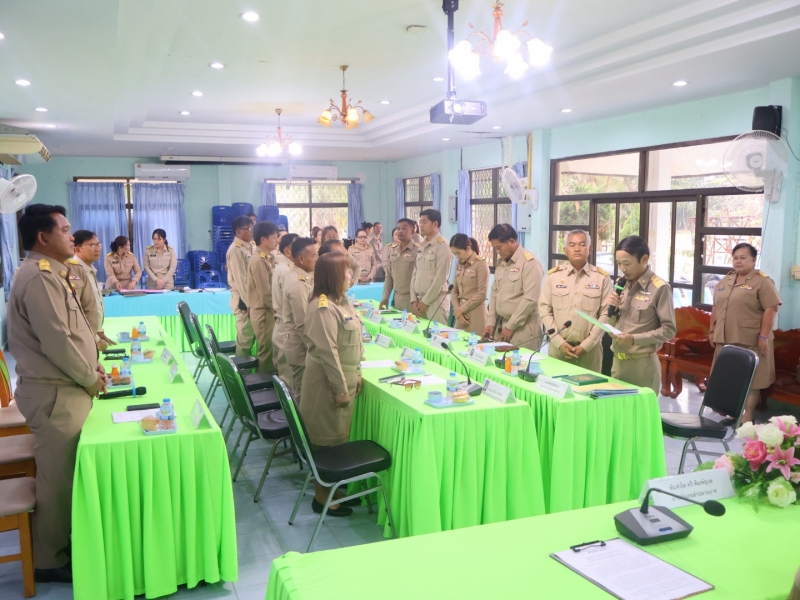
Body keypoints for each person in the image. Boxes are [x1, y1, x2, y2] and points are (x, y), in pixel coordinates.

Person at [8, 204, 108, 583]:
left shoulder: (52, 272)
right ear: (43, 237)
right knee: (58, 480)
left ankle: (64, 545)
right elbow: (57, 342)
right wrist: (88, 377)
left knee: (66, 475)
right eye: (65, 230)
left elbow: (74, 332)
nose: (72, 235)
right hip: (55, 393)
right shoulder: (38, 277)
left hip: (65, 385)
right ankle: (49, 561)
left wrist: (93, 366)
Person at [300, 252, 363, 517]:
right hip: (326, 383)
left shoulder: (343, 302)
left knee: (338, 440)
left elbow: (355, 342)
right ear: (334, 276)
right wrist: (340, 389)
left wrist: (357, 372)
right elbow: (329, 352)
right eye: (346, 272)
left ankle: (333, 491)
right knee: (326, 442)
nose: (350, 275)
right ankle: (321, 498)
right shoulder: (323, 307)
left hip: (344, 377)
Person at [709, 243, 781, 423]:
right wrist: (712, 331)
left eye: (743, 258)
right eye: (735, 258)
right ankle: (733, 413)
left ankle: (747, 417)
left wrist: (763, 337)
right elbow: (716, 307)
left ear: (754, 260)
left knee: (752, 380)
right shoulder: (726, 280)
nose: (738, 261)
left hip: (750, 339)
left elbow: (771, 309)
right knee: (729, 377)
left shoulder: (762, 281)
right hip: (725, 338)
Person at [607, 235, 676, 393]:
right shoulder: (620, 284)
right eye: (619, 263)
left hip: (642, 366)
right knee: (617, 409)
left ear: (644, 259)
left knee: (641, 409)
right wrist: (613, 310)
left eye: (627, 263)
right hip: (618, 362)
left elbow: (669, 330)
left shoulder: (659, 288)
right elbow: (612, 323)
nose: (623, 268)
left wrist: (633, 339)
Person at [539, 230, 613, 373]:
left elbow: (606, 315)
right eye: (572, 245)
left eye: (582, 245)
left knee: (590, 387)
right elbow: (545, 310)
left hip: (590, 353)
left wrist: (586, 345)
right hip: (558, 350)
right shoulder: (553, 276)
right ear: (565, 250)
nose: (577, 249)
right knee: (555, 386)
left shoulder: (602, 278)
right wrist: (559, 342)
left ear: (590, 249)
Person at [484, 224, 544, 350]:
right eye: (495, 248)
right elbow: (495, 293)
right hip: (502, 325)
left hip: (524, 327)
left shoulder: (530, 263)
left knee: (519, 361)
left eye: (499, 247)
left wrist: (510, 326)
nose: (497, 252)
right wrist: (490, 322)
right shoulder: (501, 262)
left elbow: (530, 299)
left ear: (511, 241)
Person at [282, 237, 318, 401]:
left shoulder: (301, 277)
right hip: (300, 348)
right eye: (314, 256)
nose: (316, 259)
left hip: (299, 344)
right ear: (302, 259)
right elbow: (303, 324)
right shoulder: (298, 284)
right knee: (304, 395)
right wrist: (315, 351)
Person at [70, 230, 115, 350]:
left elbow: (91, 306)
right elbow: (76, 312)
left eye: (98, 244)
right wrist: (94, 339)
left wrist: (98, 331)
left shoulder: (89, 269)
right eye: (92, 245)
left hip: (91, 335)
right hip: (83, 340)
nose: (97, 249)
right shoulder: (74, 271)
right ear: (77, 249)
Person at [247, 221, 280, 373]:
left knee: (270, 348)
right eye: (274, 237)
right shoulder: (259, 261)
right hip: (264, 312)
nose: (276, 240)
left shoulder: (267, 258)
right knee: (266, 350)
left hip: (267, 310)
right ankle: (265, 383)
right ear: (263, 239)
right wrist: (278, 310)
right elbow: (265, 293)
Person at [410, 209, 453, 322]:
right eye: (420, 222)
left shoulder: (443, 246)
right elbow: (415, 273)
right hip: (419, 301)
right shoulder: (422, 245)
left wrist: (425, 301)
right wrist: (414, 299)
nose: (421, 225)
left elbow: (441, 278)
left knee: (436, 333)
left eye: (424, 222)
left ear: (435, 224)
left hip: (435, 302)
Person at [226, 216, 256, 357]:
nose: (251, 231)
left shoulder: (248, 247)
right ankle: (241, 369)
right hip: (242, 300)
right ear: (238, 232)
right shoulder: (236, 250)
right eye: (248, 229)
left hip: (249, 298)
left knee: (250, 337)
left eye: (252, 228)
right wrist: (248, 303)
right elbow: (241, 280)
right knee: (245, 339)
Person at [272, 233, 299, 383]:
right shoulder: (287, 270)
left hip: (282, 324)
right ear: (288, 251)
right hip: (286, 326)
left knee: (286, 374)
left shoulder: (285, 267)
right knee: (288, 379)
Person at [449, 234, 489, 335]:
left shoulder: (481, 264)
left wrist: (461, 310)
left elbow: (481, 293)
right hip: (460, 314)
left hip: (476, 313)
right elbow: (454, 291)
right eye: (454, 254)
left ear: (468, 248)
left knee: (475, 342)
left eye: (458, 253)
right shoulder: (459, 264)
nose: (457, 257)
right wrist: (457, 310)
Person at [380, 219, 418, 312]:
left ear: (413, 231)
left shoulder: (418, 250)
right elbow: (389, 276)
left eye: (404, 228)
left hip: (413, 299)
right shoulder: (393, 250)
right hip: (397, 298)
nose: (400, 231)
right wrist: (385, 297)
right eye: (398, 228)